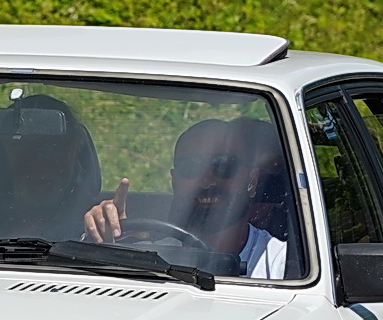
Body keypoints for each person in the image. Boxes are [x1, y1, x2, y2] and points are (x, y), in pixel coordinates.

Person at [82, 117, 289, 279]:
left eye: (224, 165)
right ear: (174, 181)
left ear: (251, 180)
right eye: (190, 167)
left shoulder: (283, 265)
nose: (206, 181)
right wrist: (109, 242)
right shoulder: (147, 256)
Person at [0, 94, 103, 241]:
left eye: (53, 148)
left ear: (74, 153)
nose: (40, 164)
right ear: (0, 155)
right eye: (25, 148)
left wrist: (108, 228)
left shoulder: (93, 223)